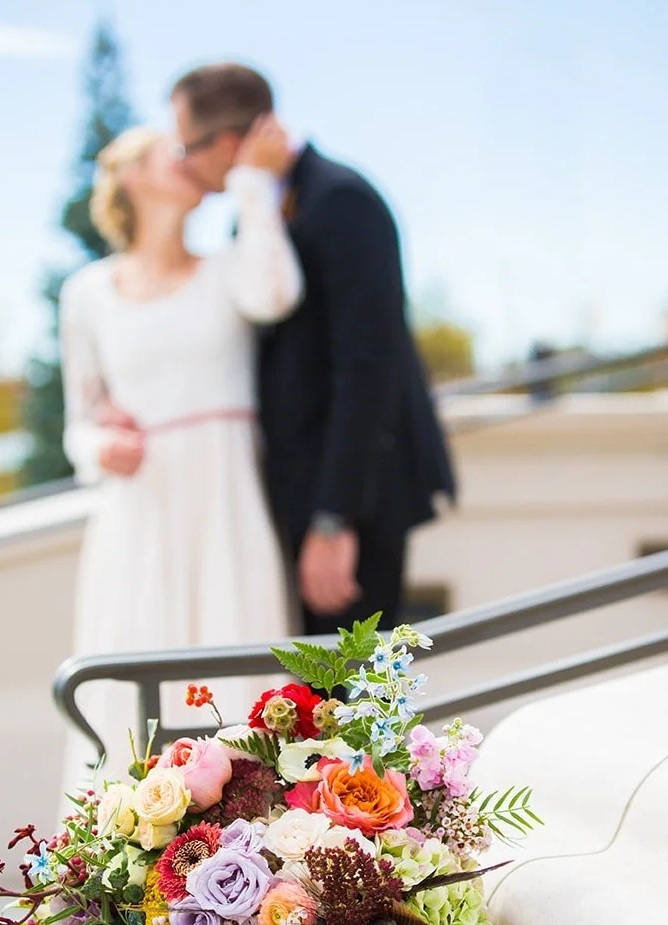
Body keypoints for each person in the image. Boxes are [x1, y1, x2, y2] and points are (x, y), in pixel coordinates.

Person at [171, 64, 456, 635]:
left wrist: (333, 522)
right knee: (312, 704)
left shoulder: (341, 200)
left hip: (353, 501)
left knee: (349, 701)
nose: (183, 162)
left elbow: (366, 368)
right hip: (296, 495)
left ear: (227, 143)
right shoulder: (255, 216)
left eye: (187, 147)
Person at [60, 124, 301, 791]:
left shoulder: (227, 268)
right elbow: (76, 426)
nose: (189, 156)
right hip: (138, 518)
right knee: (132, 697)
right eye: (170, 148)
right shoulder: (86, 292)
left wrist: (252, 183)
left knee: (240, 682)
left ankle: (258, 870)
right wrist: (102, 446)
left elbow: (275, 294)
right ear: (131, 175)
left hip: (228, 507)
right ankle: (122, 875)